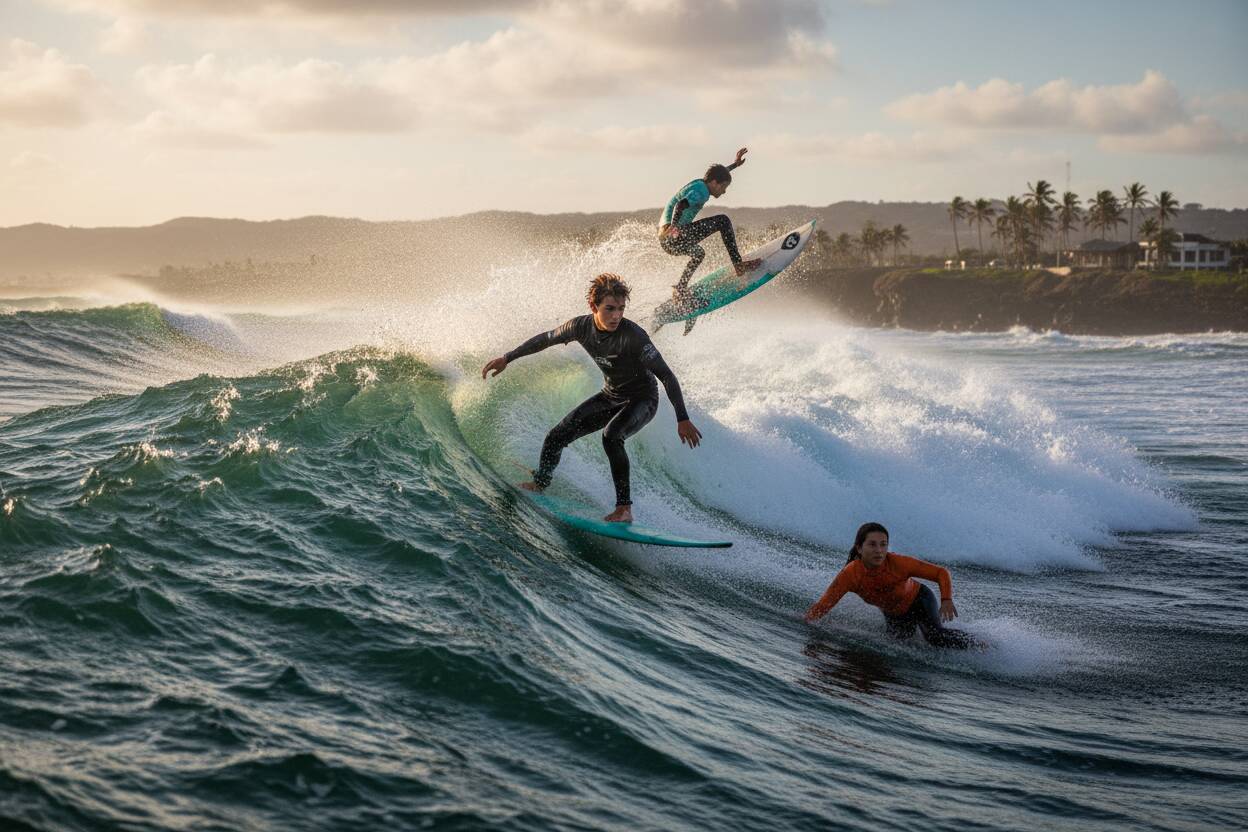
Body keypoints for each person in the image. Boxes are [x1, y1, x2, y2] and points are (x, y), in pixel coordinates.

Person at [480, 273, 702, 523]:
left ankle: (624, 509)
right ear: (593, 306)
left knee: (612, 436)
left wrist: (682, 419)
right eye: (609, 309)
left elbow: (667, 376)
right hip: (611, 394)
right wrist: (508, 358)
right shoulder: (580, 327)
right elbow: (546, 339)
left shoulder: (634, 336)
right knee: (556, 436)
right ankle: (540, 483)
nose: (616, 315)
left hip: (643, 398)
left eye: (621, 309)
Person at [804, 522, 978, 649]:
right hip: (895, 613)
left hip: (919, 600)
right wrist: (805, 625)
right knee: (898, 646)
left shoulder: (899, 563)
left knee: (934, 637)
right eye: (872, 544)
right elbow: (823, 606)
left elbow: (941, 573)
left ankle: (980, 645)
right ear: (859, 548)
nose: (879, 550)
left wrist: (946, 599)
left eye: (883, 544)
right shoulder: (850, 575)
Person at [659, 147, 762, 308]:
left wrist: (734, 165)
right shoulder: (701, 192)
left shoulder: (701, 184)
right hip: (673, 235)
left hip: (667, 240)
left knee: (699, 253)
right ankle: (738, 265)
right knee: (723, 221)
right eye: (723, 187)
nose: (724, 191)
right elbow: (681, 204)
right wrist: (673, 227)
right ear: (714, 183)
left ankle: (680, 288)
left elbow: (717, 175)